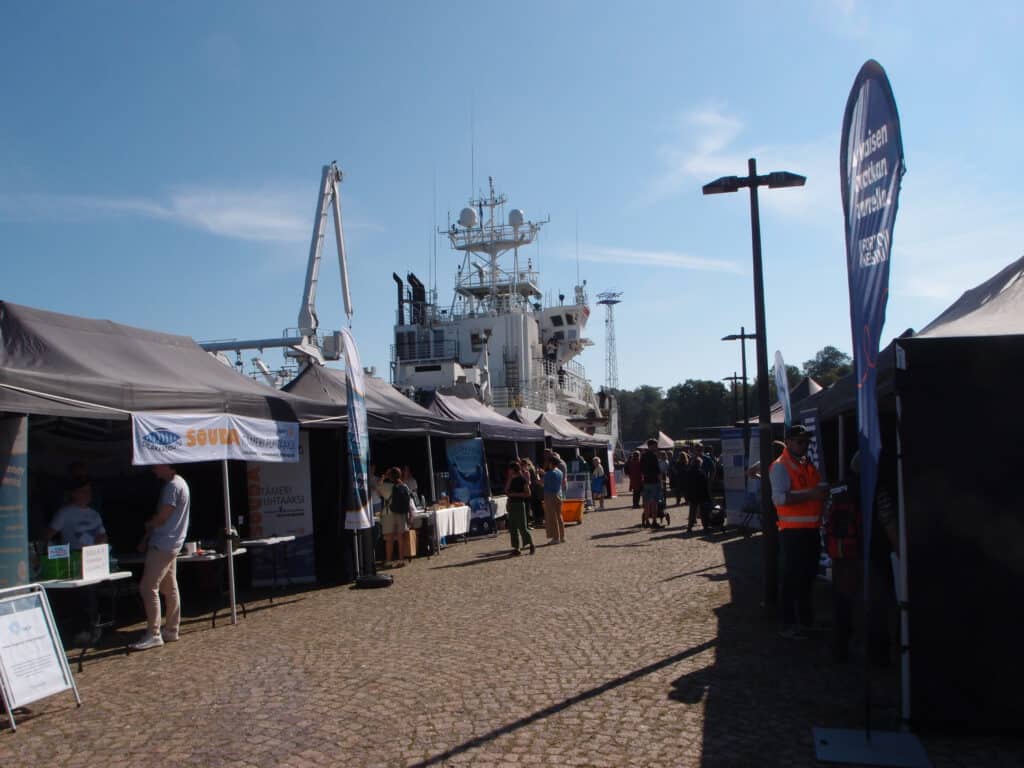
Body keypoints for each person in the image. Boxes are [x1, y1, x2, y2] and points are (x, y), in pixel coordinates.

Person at [770, 425, 828, 639]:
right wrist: (812, 494)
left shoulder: (805, 464)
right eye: (800, 441)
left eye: (806, 441)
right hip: (792, 532)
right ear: (788, 442)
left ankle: (805, 621)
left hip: (810, 530)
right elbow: (779, 499)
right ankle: (788, 624)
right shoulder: (780, 467)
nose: (804, 445)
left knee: (807, 578)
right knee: (792, 579)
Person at [131, 464, 190, 651]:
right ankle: (172, 629)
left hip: (163, 544)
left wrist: (148, 524)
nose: (153, 469)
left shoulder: (172, 487)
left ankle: (154, 633)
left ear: (168, 466)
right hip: (172, 544)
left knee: (148, 588)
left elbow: (163, 517)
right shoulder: (181, 483)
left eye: (156, 466)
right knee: (169, 587)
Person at [42, 478, 108, 645]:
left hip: (93, 558)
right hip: (74, 559)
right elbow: (48, 534)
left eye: (89, 492)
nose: (87, 495)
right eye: (83, 491)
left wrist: (101, 541)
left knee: (91, 595)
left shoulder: (94, 513)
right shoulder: (65, 512)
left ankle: (93, 628)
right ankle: (81, 630)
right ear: (74, 494)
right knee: (79, 596)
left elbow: (103, 534)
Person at [381, 467, 413, 567]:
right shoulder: (405, 486)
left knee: (389, 538)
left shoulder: (386, 486)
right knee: (401, 537)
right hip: (402, 514)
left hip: (389, 513)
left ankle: (389, 561)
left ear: (390, 476)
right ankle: (401, 560)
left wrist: (383, 478)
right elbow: (408, 502)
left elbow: (377, 488)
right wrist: (409, 515)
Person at [504, 460, 535, 556]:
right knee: (512, 527)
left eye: (510, 469)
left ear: (513, 469)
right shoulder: (511, 479)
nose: (508, 471)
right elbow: (506, 490)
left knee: (523, 527)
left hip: (519, 504)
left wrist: (515, 494)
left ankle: (531, 545)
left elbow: (528, 493)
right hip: (511, 504)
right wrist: (509, 480)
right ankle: (516, 548)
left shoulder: (522, 479)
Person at [685, 455, 711, 535]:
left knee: (692, 511)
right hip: (701, 494)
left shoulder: (688, 472)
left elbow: (686, 485)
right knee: (703, 512)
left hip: (692, 494)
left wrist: (687, 495)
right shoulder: (702, 473)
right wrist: (708, 496)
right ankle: (705, 527)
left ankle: (689, 527)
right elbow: (705, 485)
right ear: (700, 464)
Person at [542, 455, 565, 544]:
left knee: (552, 517)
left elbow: (541, 483)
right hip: (558, 495)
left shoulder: (549, 473)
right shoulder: (560, 472)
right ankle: (562, 536)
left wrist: (537, 475)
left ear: (551, 463)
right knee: (559, 516)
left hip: (550, 495)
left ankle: (556, 538)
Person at [640, 439, 663, 528]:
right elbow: (658, 471)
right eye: (655, 445)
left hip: (646, 482)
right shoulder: (654, 456)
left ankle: (646, 522)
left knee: (646, 503)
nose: (656, 447)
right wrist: (660, 481)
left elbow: (641, 469)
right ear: (651, 446)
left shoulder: (643, 456)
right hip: (654, 482)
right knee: (654, 503)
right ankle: (654, 521)